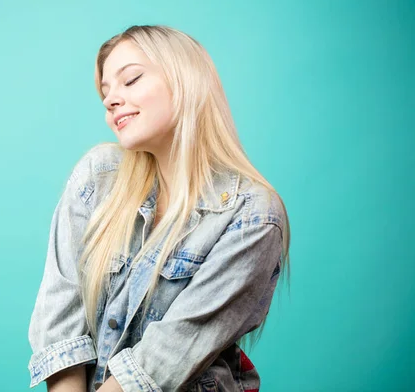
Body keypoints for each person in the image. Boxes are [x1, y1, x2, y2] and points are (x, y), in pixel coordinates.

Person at [27, 25, 291, 392]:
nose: (111, 100)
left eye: (131, 79)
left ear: (186, 81)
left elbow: (165, 359)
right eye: (105, 92)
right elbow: (60, 323)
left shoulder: (253, 216)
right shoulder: (98, 176)